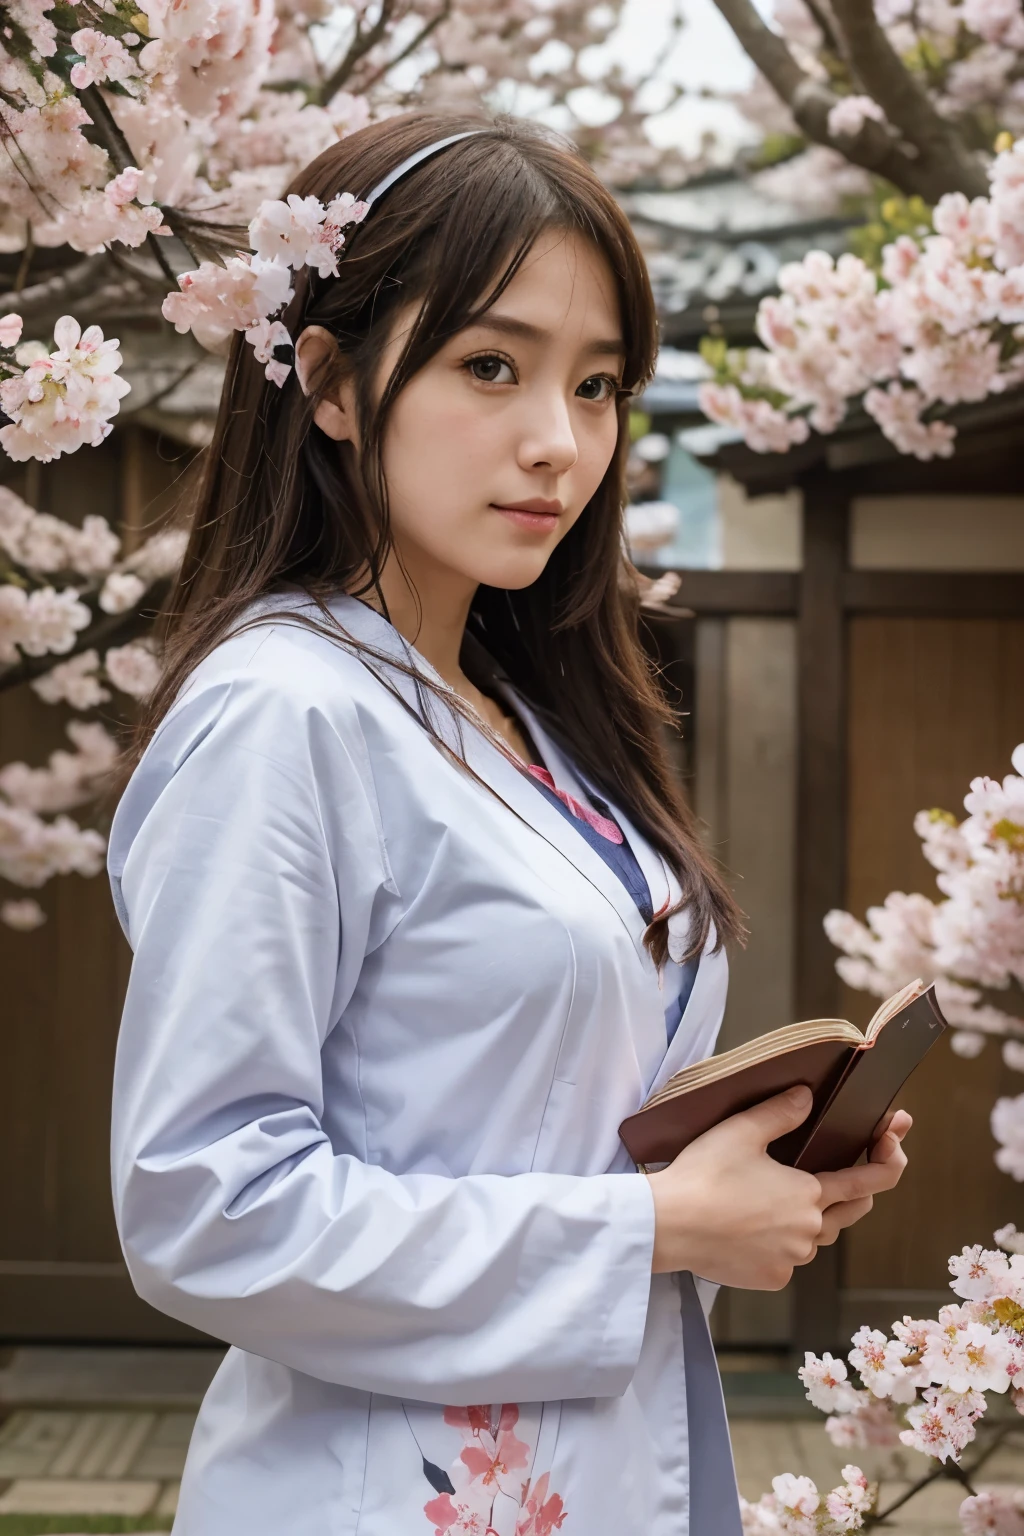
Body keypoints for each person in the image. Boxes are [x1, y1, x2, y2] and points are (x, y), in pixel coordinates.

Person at [108, 111, 911, 1536]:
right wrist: (653, 1227)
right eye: (492, 365)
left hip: (595, 1462)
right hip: (383, 1494)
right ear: (333, 380)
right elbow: (204, 1204)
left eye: (598, 386)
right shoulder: (286, 714)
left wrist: (752, 1184)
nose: (560, 442)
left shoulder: (528, 721)